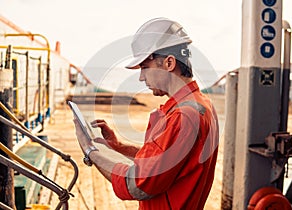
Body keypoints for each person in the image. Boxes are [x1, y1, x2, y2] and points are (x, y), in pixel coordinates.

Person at [73, 17, 219, 209]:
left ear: (168, 63)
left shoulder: (183, 116)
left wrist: (90, 151)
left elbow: (138, 185)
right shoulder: (200, 104)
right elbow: (162, 163)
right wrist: (118, 146)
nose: (141, 77)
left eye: (144, 67)